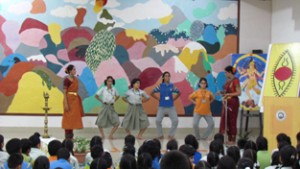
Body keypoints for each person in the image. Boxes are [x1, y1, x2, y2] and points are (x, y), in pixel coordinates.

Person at [151, 72, 180, 140]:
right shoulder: (160, 86)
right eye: (166, 76)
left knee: (175, 121)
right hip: (162, 106)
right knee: (158, 121)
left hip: (171, 106)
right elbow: (152, 92)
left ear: (170, 77)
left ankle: (171, 135)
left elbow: (179, 92)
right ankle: (160, 135)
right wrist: (158, 99)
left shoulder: (172, 86)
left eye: (168, 76)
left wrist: (174, 99)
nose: (167, 77)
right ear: (163, 77)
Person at [219, 66, 241, 145]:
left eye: (226, 72)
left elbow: (239, 93)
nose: (225, 74)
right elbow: (226, 92)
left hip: (233, 103)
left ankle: (233, 139)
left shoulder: (236, 81)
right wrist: (221, 93)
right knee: (226, 120)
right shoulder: (227, 81)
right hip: (227, 102)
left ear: (230, 72)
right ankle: (228, 138)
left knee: (232, 120)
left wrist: (228, 94)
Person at [62, 64, 84, 139]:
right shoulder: (66, 80)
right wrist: (66, 103)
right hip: (68, 100)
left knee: (73, 119)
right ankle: (67, 137)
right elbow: (65, 92)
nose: (75, 71)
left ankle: (71, 136)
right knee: (68, 119)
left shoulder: (75, 79)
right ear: (70, 71)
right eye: (74, 69)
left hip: (75, 101)